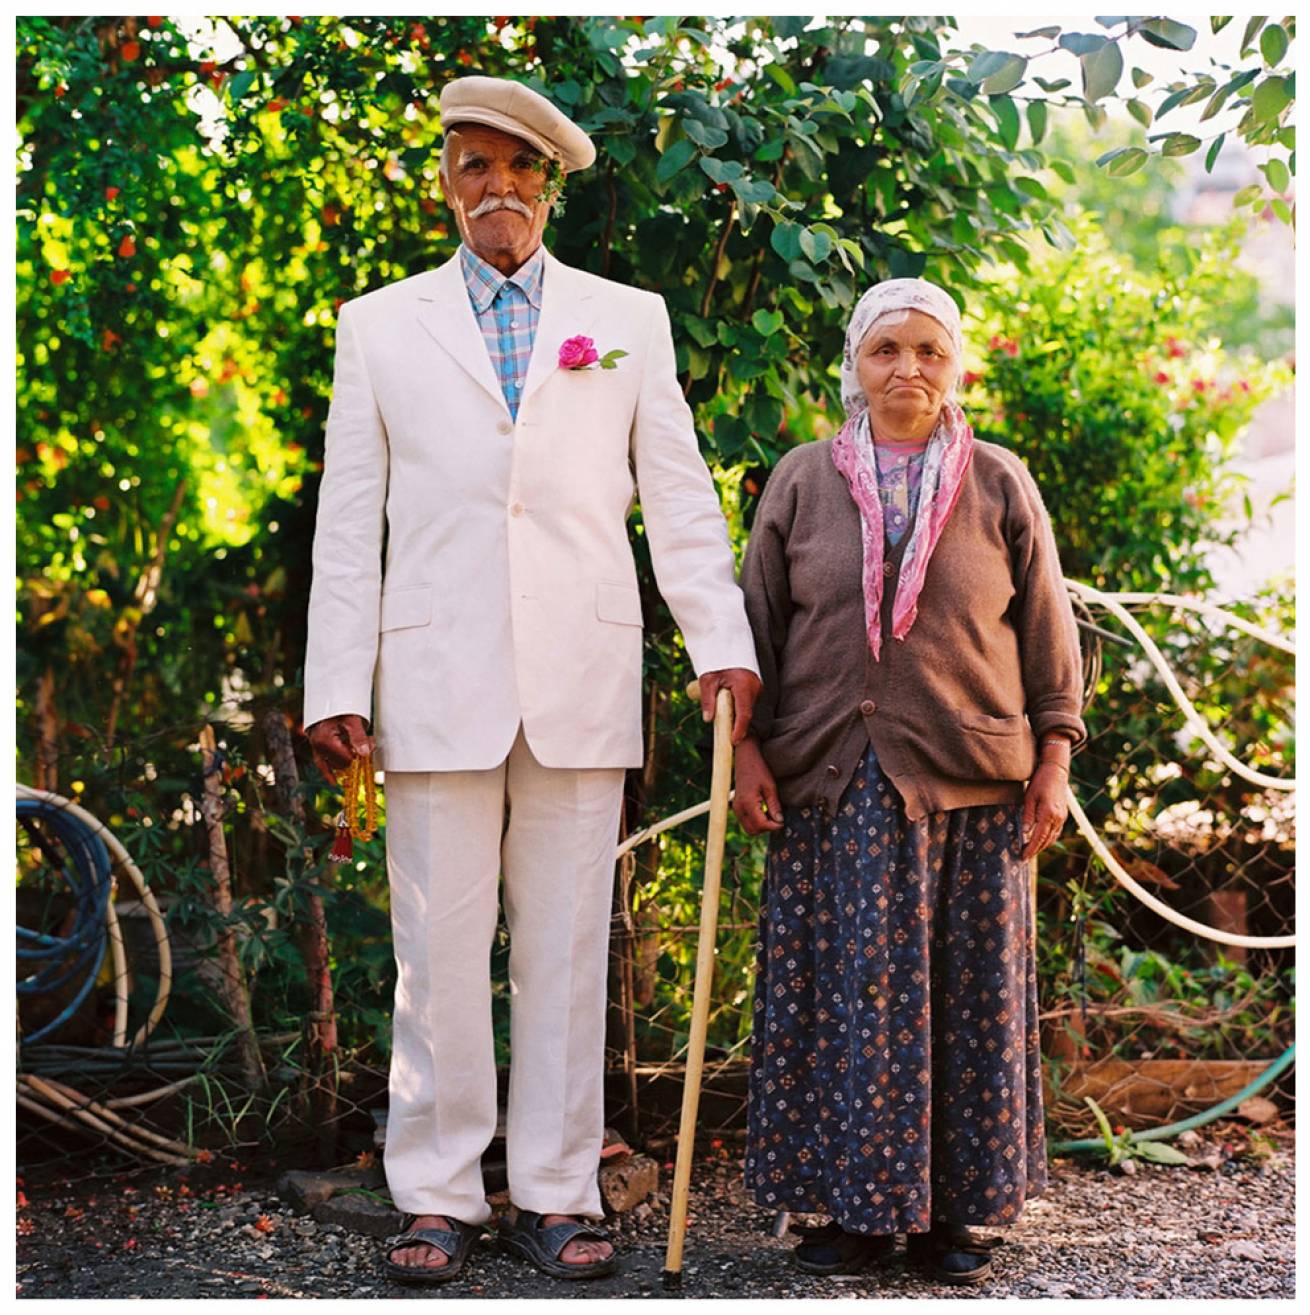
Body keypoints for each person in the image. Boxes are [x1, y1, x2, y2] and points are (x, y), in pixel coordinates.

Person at [302, 75, 761, 1284]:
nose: (493, 188)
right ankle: (441, 1196)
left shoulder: (628, 316)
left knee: (564, 950)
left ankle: (556, 1192)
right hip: (430, 676)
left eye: (516, 168)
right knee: (436, 952)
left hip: (580, 673)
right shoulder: (378, 325)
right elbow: (349, 523)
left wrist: (719, 641)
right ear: (445, 181)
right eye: (471, 167)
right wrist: (333, 678)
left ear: (547, 182)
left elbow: (674, 495)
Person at [734, 277, 1085, 1286]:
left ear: (955, 364)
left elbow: (1046, 634)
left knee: (965, 1005)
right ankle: (848, 1214)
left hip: (972, 786)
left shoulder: (999, 482)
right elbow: (752, 627)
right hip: (830, 785)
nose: (908, 369)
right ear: (855, 364)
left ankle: (952, 1221)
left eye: (928, 350)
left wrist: (1052, 756)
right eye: (886, 348)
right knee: (844, 999)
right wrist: (745, 748)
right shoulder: (800, 480)